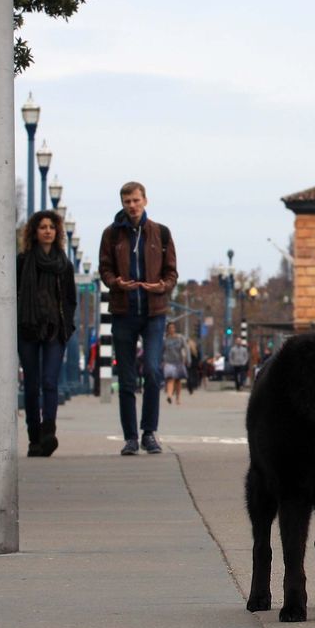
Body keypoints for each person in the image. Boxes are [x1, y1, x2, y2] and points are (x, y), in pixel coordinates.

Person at [99, 181, 178, 455]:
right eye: (126, 201)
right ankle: (130, 437)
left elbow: (171, 273)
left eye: (135, 200)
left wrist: (162, 287)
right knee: (127, 377)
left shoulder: (161, 233)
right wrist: (116, 282)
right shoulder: (111, 235)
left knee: (153, 372)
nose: (131, 206)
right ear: (122, 204)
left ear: (145, 200)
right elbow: (105, 269)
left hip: (154, 312)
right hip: (123, 311)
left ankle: (149, 433)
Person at [16, 210, 77, 458]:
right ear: (34, 232)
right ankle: (34, 438)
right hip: (28, 328)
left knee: (50, 382)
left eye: (52, 227)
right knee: (32, 385)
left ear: (57, 232)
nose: (48, 231)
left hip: (54, 329)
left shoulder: (64, 265)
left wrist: (67, 325)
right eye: (42, 227)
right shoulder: (22, 262)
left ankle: (49, 432)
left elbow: (70, 299)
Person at [162, 321, 188, 404]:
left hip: (179, 361)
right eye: (170, 328)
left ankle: (178, 398)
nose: (171, 329)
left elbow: (186, 348)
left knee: (177, 380)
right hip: (169, 362)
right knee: (170, 378)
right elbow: (161, 351)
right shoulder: (165, 339)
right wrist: (162, 361)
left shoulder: (180, 338)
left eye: (173, 327)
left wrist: (187, 359)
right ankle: (169, 395)